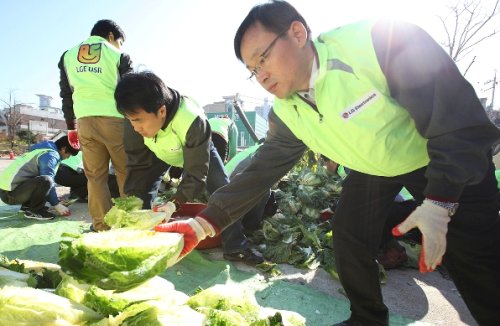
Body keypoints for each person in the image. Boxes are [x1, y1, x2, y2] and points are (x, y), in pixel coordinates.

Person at [155, 1, 500, 325]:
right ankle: (367, 318)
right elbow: (261, 171)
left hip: (441, 156)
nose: (260, 75)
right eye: (251, 69)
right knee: (349, 234)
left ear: (297, 33)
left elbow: (459, 123)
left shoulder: (379, 42)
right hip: (374, 166)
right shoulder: (288, 111)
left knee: (476, 260)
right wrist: (204, 224)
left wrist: (440, 203)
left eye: (263, 58)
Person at [114, 71, 264, 265]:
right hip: (159, 150)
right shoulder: (134, 121)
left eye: (138, 120)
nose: (135, 127)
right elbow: (137, 165)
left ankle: (235, 246)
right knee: (140, 190)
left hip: (195, 150)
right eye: (130, 120)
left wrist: (173, 204)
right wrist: (133, 203)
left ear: (161, 111)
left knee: (220, 188)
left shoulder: (192, 120)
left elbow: (196, 173)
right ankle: (142, 240)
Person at [59, 19, 133, 231]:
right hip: (116, 121)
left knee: (95, 177)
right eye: (120, 41)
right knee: (125, 172)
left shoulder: (68, 55)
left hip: (84, 122)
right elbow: (130, 90)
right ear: (111, 36)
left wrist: (71, 127)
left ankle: (101, 225)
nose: (121, 45)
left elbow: (66, 94)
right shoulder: (118, 55)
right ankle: (130, 225)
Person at [0, 133, 79, 220]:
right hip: (10, 195)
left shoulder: (42, 149)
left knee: (42, 180)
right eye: (70, 154)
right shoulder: (50, 155)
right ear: (64, 149)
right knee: (46, 180)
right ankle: (35, 210)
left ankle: (28, 206)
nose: (68, 157)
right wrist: (56, 204)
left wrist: (53, 198)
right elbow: (48, 180)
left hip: (9, 191)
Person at [55, 151, 120, 202]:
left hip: (65, 171)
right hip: (66, 172)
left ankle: (80, 194)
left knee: (94, 179)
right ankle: (81, 194)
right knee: (96, 179)